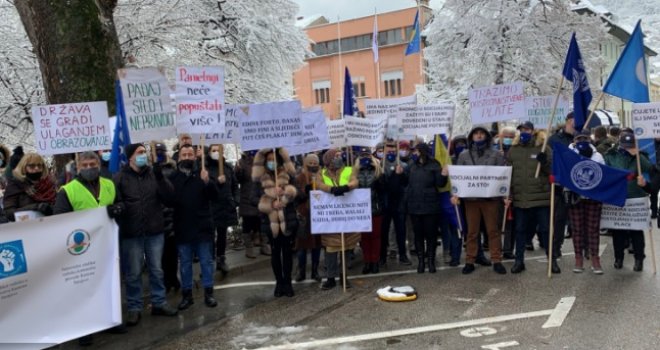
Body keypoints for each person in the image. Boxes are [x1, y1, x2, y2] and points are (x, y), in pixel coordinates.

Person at [53, 151, 125, 346]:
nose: (89, 168)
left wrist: (118, 208)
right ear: (78, 167)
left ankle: (112, 319)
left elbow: (119, 203)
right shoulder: (67, 190)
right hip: (81, 249)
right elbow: (59, 218)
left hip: (107, 244)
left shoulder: (109, 184)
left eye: (92, 164)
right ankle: (86, 327)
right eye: (84, 165)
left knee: (110, 283)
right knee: (84, 288)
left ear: (99, 164)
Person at [113, 143, 178, 326]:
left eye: (145, 152)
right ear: (130, 157)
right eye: (140, 152)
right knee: (133, 273)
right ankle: (134, 308)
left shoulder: (154, 174)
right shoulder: (119, 178)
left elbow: (170, 198)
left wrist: (160, 178)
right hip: (131, 233)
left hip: (154, 231)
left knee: (156, 270)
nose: (144, 155)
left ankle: (159, 302)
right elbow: (116, 201)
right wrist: (121, 208)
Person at [166, 144, 218, 309]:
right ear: (179, 157)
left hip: (202, 226)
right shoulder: (173, 178)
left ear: (195, 157)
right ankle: (187, 295)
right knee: (186, 264)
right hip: (183, 227)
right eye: (184, 155)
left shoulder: (202, 174)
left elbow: (215, 196)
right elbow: (168, 200)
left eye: (190, 154)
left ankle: (209, 293)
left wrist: (208, 182)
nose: (187, 157)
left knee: (206, 262)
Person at [455, 126, 506, 275]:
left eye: (481, 133)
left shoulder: (496, 154)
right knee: (472, 232)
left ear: (486, 137)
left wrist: (505, 195)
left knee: (493, 231)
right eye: (476, 134)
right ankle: (470, 260)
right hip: (471, 199)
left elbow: (501, 176)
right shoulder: (464, 155)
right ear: (471, 137)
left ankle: (497, 260)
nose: (479, 136)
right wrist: (456, 193)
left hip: (490, 198)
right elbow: (459, 176)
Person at [507, 121, 554, 274]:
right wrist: (508, 194)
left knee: (546, 230)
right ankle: (519, 261)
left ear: (533, 131)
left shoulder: (543, 147)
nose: (524, 132)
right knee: (520, 231)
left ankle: (551, 260)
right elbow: (508, 174)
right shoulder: (513, 151)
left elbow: (552, 172)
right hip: (521, 199)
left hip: (541, 198)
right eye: (521, 129)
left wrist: (544, 162)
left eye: (527, 129)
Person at [253, 148, 299, 297]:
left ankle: (288, 282)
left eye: (274, 159)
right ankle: (279, 282)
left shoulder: (288, 173)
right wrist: (271, 202)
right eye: (269, 159)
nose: (271, 162)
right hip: (269, 222)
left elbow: (298, 192)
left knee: (287, 253)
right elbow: (252, 198)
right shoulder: (260, 177)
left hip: (287, 220)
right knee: (275, 253)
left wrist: (286, 192)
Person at [604, 130, 652, 271]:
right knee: (618, 231)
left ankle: (639, 259)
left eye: (629, 146)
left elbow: (650, 168)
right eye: (625, 146)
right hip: (617, 197)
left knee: (637, 231)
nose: (627, 148)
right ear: (620, 144)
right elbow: (606, 173)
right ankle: (618, 258)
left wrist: (637, 154)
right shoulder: (611, 155)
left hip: (635, 198)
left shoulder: (639, 157)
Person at [318, 148, 359, 290]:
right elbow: (318, 184)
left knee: (346, 249)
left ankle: (344, 276)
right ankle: (330, 278)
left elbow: (355, 181)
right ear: (329, 159)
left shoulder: (348, 170)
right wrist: (331, 190)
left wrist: (347, 187)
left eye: (340, 155)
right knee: (330, 250)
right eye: (335, 156)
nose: (339, 157)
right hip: (331, 217)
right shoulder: (322, 172)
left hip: (346, 215)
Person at [566, 131, 605, 274]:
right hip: (575, 197)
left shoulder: (597, 156)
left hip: (593, 198)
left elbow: (603, 174)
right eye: (579, 138)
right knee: (577, 229)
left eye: (585, 138)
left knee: (593, 229)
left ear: (590, 139)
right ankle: (578, 258)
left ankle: (595, 259)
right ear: (574, 140)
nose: (582, 140)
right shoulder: (568, 155)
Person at [407, 142, 448, 273]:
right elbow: (405, 183)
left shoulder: (434, 164)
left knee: (431, 235)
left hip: (430, 206)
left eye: (416, 151)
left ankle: (430, 260)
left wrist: (444, 175)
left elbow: (440, 184)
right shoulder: (411, 166)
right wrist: (399, 174)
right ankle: (420, 262)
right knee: (418, 235)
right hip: (415, 205)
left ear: (423, 152)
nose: (414, 153)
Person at [152, 142, 180, 293]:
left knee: (172, 252)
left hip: (171, 215)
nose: (160, 154)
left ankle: (173, 277)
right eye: (157, 151)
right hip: (156, 217)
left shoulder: (172, 169)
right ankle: (165, 281)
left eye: (161, 151)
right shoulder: (150, 171)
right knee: (160, 254)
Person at [206, 144, 239, 275]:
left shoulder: (227, 167)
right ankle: (209, 262)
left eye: (218, 150)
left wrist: (235, 201)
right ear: (209, 152)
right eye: (213, 150)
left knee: (222, 235)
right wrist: (216, 183)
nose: (216, 152)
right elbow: (205, 188)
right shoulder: (206, 168)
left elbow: (235, 186)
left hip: (225, 207)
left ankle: (221, 259)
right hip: (210, 208)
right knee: (209, 236)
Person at [354, 147, 384, 274]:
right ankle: (367, 262)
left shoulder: (377, 170)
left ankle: (375, 261)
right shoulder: (354, 172)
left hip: (375, 208)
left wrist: (379, 181)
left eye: (367, 155)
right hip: (362, 210)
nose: (365, 158)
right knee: (364, 238)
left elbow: (384, 189)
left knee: (375, 237)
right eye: (362, 155)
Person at [380, 141, 411, 266]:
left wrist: (401, 174)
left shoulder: (403, 165)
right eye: (389, 151)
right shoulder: (379, 165)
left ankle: (402, 255)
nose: (391, 153)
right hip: (385, 203)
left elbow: (405, 183)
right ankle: (382, 256)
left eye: (393, 151)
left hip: (399, 202)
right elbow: (381, 186)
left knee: (401, 231)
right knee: (384, 232)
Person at [294, 154, 323, 282]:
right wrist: (304, 192)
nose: (312, 165)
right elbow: (295, 196)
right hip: (304, 216)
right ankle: (301, 271)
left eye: (314, 163)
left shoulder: (321, 177)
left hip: (318, 215)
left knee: (316, 245)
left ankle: (315, 271)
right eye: (310, 163)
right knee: (302, 246)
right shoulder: (299, 177)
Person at [3, 153, 57, 221]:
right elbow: (9, 213)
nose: (36, 168)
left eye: (39, 165)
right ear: (24, 167)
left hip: (50, 225)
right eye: (32, 166)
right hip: (26, 228)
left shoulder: (49, 184)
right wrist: (36, 207)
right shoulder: (15, 185)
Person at [236, 150, 269, 258]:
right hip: (247, 197)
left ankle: (264, 245)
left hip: (260, 195)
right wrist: (238, 171)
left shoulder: (262, 160)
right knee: (247, 224)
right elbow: (237, 179)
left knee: (261, 222)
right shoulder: (241, 162)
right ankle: (249, 248)